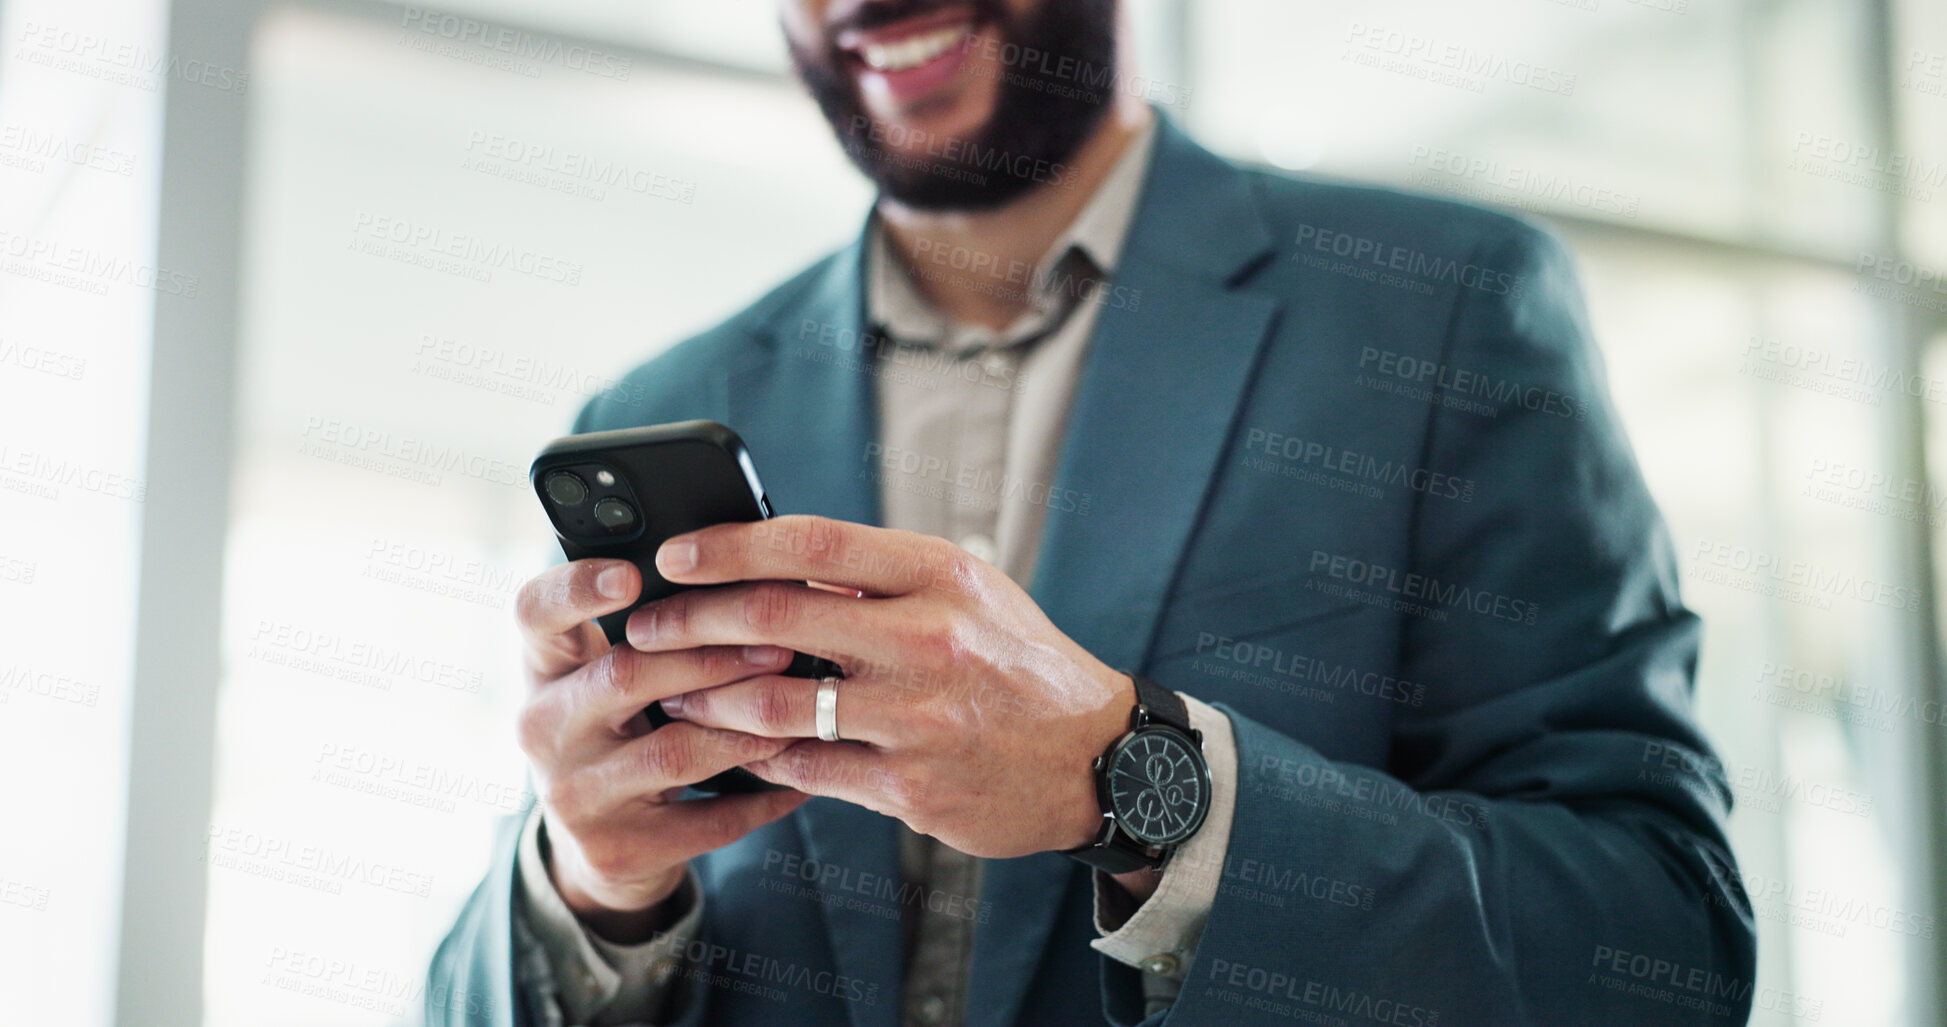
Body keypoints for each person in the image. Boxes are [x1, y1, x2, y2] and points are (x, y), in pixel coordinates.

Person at [427, 0, 1757, 1024]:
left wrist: (1131, 779)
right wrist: (591, 884)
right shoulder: (666, 405)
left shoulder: (1441, 310)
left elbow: (1660, 945)